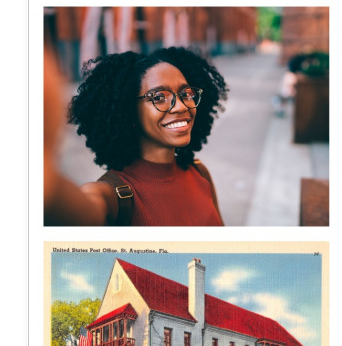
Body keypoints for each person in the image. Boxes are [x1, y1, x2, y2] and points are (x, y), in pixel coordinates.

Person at [45, 46, 228, 226]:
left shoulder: (200, 173)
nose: (181, 106)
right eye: (159, 97)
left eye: (186, 93)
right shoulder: (111, 196)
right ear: (129, 111)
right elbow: (71, 209)